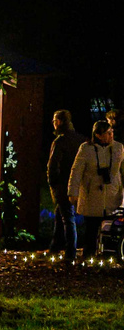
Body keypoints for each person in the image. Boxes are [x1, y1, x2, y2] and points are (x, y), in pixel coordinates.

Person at [68, 118, 124, 262]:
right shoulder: (86, 149)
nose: (111, 136)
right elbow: (76, 171)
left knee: (111, 228)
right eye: (107, 133)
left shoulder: (118, 148)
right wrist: (72, 192)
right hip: (92, 193)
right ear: (98, 135)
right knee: (91, 229)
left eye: (111, 132)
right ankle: (89, 256)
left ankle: (109, 256)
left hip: (112, 194)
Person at [47, 110, 84, 255]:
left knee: (68, 217)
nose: (53, 124)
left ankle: (70, 250)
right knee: (60, 214)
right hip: (77, 183)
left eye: (55, 121)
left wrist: (53, 183)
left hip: (63, 183)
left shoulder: (60, 141)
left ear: (60, 122)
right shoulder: (80, 140)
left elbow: (53, 165)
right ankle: (56, 245)